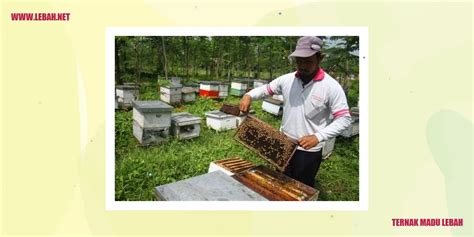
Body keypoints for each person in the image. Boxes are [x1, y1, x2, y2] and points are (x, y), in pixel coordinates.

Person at [239, 36, 352, 187]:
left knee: (300, 188)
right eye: (299, 61)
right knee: (279, 182)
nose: (303, 65)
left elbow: (344, 119)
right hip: (283, 143)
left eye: (308, 61)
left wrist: (318, 137)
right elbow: (266, 89)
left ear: (320, 58)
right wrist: (249, 95)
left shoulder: (331, 86)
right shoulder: (287, 80)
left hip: (308, 150)